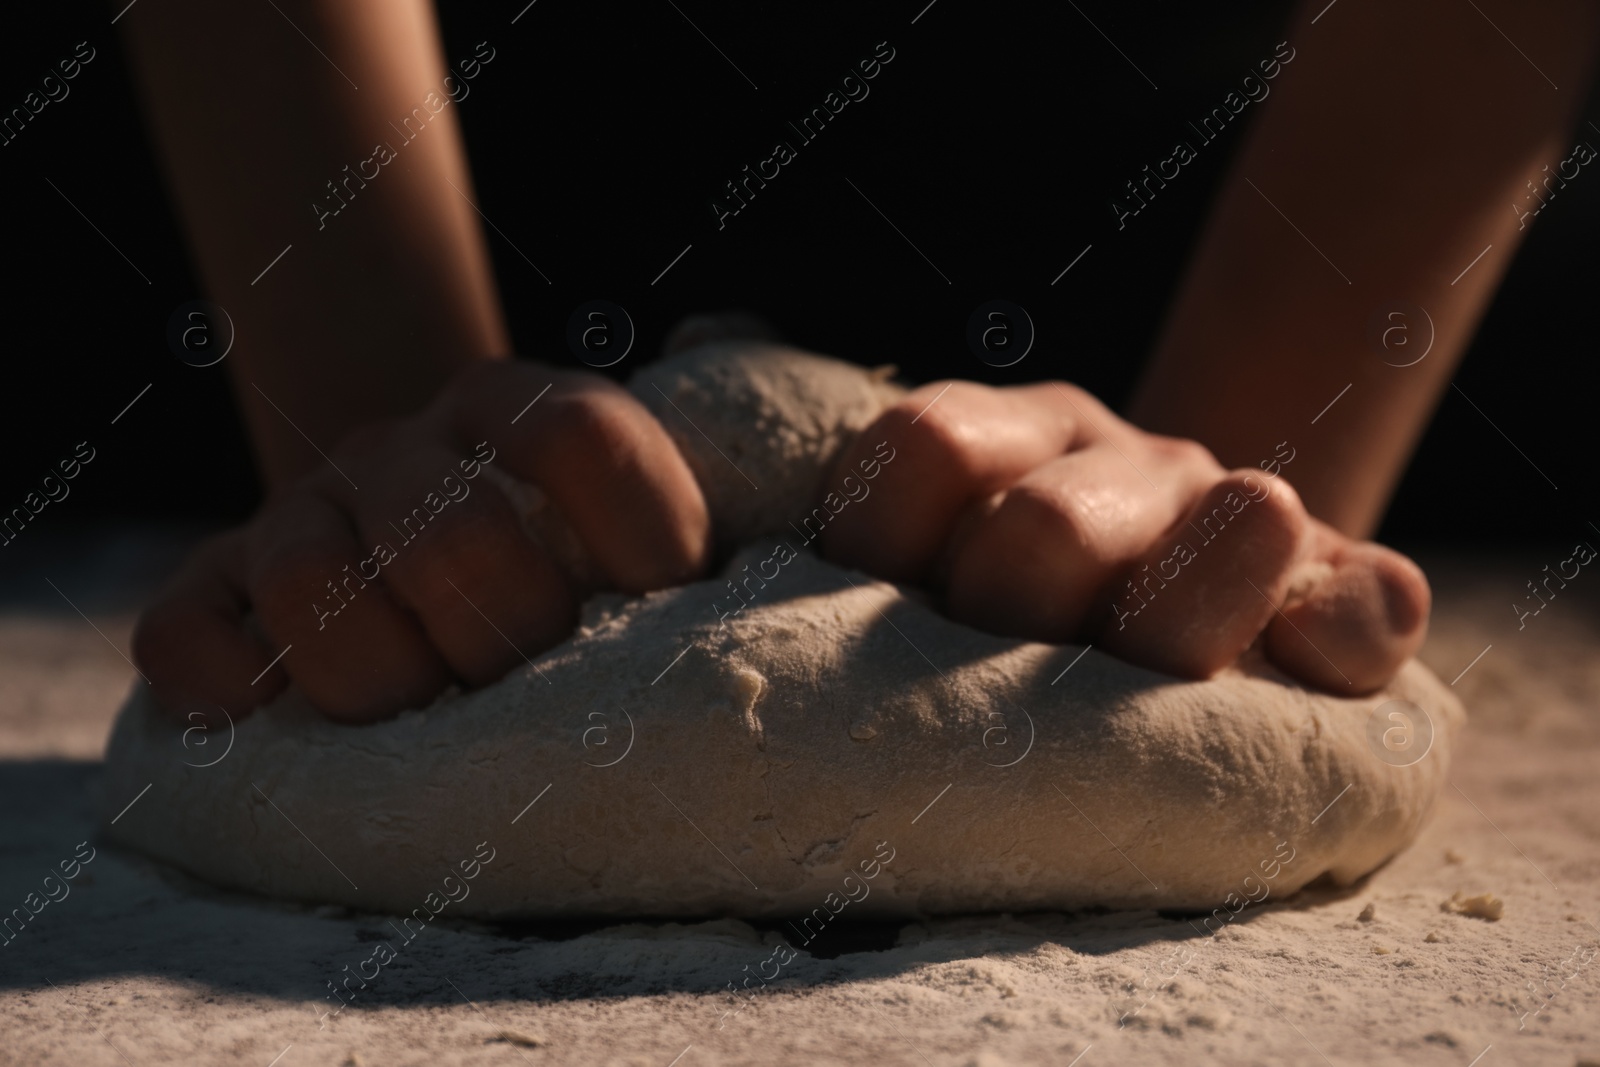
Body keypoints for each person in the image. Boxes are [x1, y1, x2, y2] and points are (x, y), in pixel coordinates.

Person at [120, 0, 1599, 722]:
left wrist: (1230, 522)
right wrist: (382, 484)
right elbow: (397, 623)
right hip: (478, 159)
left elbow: (1210, 616)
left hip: (1220, 181)